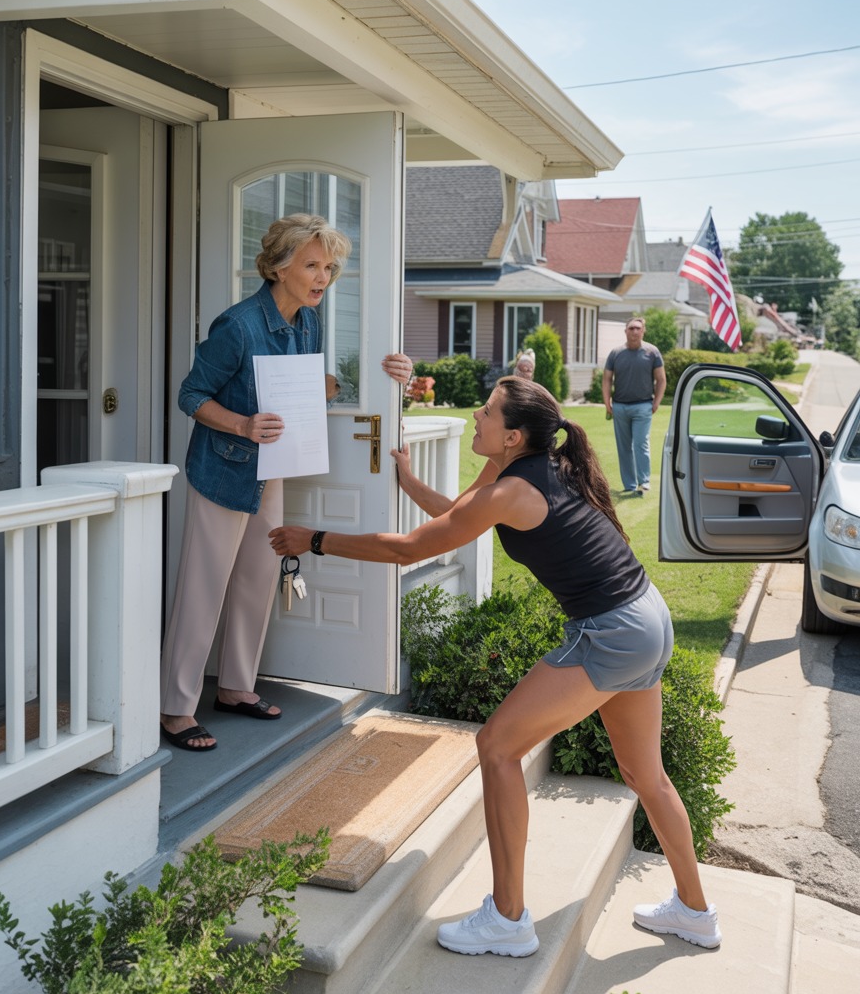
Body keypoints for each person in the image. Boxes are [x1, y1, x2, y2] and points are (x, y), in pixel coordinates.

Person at [269, 376, 722, 953]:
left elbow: (412, 549)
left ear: (511, 436)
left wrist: (315, 539)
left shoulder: (510, 489)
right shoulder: (543, 467)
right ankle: (694, 911)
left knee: (498, 747)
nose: (476, 419)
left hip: (610, 632)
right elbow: (457, 516)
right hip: (646, 618)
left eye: (486, 413)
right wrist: (409, 481)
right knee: (645, 776)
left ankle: (508, 920)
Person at [160, 213, 413, 752]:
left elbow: (313, 379)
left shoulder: (308, 321)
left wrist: (357, 377)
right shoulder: (238, 326)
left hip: (271, 469)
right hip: (223, 468)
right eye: (312, 265)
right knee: (204, 590)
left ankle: (235, 688)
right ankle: (176, 708)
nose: (324, 277)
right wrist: (243, 424)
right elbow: (190, 395)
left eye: (329, 266)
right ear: (278, 267)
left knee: (257, 579)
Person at [602, 317, 666, 494]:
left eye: (638, 328)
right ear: (625, 331)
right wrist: (607, 402)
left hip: (643, 406)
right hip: (620, 407)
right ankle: (629, 485)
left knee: (640, 444)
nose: (634, 331)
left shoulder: (652, 352)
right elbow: (607, 379)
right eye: (631, 328)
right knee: (624, 448)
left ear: (643, 331)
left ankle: (644, 482)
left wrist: (656, 402)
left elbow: (661, 380)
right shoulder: (616, 353)